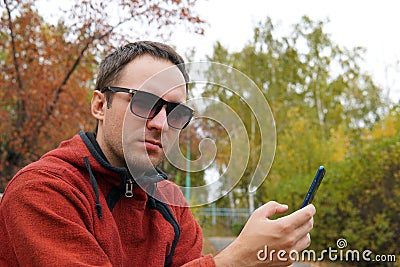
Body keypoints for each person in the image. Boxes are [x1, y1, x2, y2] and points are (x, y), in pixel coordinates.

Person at [0, 41, 315, 266]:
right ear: (99, 105)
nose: (161, 123)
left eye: (176, 112)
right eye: (143, 101)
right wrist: (235, 260)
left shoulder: (170, 202)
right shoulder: (43, 191)